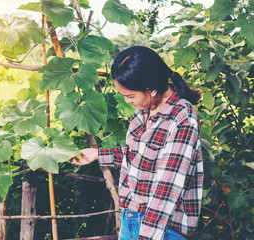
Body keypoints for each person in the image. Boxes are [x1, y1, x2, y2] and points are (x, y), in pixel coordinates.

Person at [71, 46, 203, 240]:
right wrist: (98, 154)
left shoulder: (182, 117)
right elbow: (141, 154)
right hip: (130, 218)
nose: (127, 101)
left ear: (151, 89)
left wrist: (146, 236)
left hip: (162, 229)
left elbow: (167, 187)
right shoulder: (145, 109)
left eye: (130, 96)